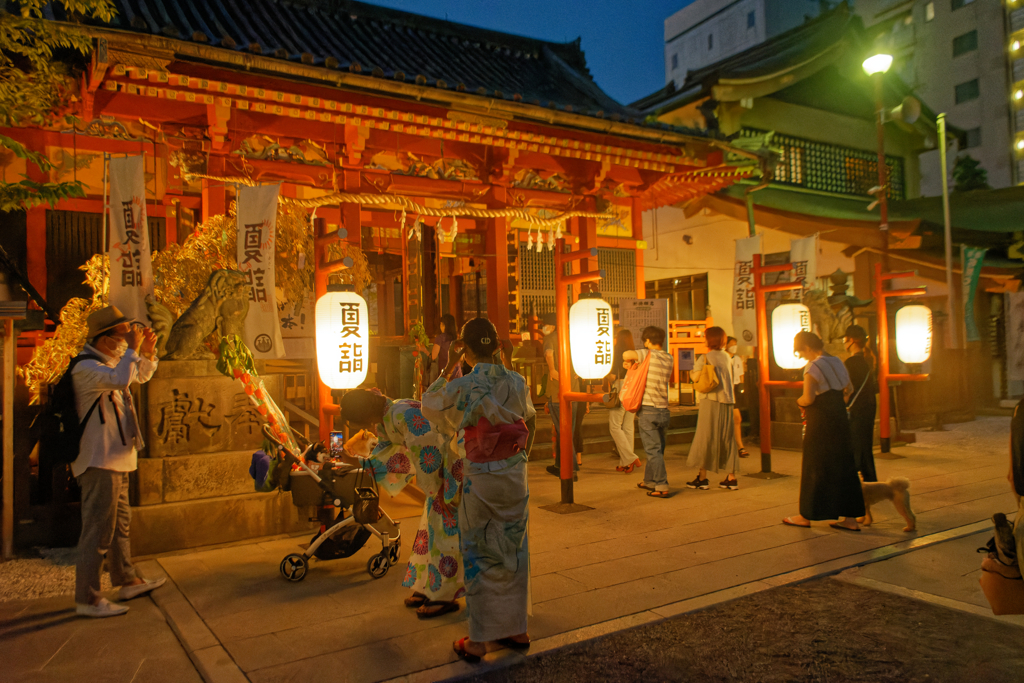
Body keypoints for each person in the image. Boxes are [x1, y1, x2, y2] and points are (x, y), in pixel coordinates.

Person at [421, 318, 535, 662]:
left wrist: (448, 364)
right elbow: (526, 411)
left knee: (480, 552)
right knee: (512, 549)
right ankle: (516, 629)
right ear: (498, 347)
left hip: (481, 475)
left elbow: (430, 405)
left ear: (465, 349)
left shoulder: (465, 383)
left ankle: (480, 640)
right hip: (514, 473)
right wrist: (508, 363)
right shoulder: (517, 380)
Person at [338, 389, 463, 618]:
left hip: (445, 472)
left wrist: (439, 487)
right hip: (438, 474)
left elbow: (429, 452)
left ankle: (443, 594)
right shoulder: (390, 415)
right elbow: (388, 453)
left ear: (365, 414)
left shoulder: (401, 414)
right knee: (432, 533)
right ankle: (430, 586)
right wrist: (363, 463)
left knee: (444, 533)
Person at [72, 306, 163, 618]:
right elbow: (122, 377)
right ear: (104, 339)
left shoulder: (110, 362)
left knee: (120, 526)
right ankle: (88, 598)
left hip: (118, 458)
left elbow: (139, 374)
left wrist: (147, 352)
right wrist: (135, 350)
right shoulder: (85, 368)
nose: (126, 340)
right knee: (98, 532)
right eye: (122, 335)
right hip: (99, 462)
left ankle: (127, 579)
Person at [783, 331, 865, 531]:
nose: (803, 356)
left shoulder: (813, 366)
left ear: (808, 347)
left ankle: (807, 515)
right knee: (844, 465)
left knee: (815, 464)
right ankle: (850, 519)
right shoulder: (838, 361)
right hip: (839, 418)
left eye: (802, 352)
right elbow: (850, 389)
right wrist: (838, 406)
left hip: (820, 420)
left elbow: (808, 398)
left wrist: (799, 402)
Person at [686, 327, 740, 490]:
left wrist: (692, 373)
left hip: (710, 401)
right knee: (727, 437)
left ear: (710, 340)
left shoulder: (705, 357)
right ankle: (731, 477)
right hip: (727, 401)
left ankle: (702, 478)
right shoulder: (727, 357)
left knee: (705, 436)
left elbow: (695, 377)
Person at [634, 326, 675, 498]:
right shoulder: (668, 357)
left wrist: (629, 360)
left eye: (645, 340)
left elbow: (626, 354)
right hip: (663, 410)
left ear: (648, 341)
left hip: (648, 409)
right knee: (657, 449)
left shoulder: (648, 354)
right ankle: (649, 480)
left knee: (653, 450)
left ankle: (661, 485)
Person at [541, 312, 579, 480]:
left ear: (552, 326)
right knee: (568, 431)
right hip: (575, 391)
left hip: (558, 393)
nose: (543, 328)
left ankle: (571, 470)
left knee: (563, 432)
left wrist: (552, 369)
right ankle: (560, 466)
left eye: (545, 325)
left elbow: (549, 353)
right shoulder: (573, 338)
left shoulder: (551, 338)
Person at [843, 325, 878, 482]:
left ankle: (852, 480)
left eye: (845, 339)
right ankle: (871, 480)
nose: (844, 343)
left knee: (855, 444)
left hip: (856, 408)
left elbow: (848, 388)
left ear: (851, 340)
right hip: (869, 405)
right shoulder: (868, 359)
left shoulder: (851, 362)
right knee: (865, 445)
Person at [610, 350, 640, 473]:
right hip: (633, 388)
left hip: (621, 386)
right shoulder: (635, 355)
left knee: (615, 426)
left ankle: (631, 458)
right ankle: (626, 463)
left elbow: (612, 376)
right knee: (628, 426)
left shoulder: (617, 353)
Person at [726, 336, 750, 458]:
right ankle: (732, 446)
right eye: (731, 344)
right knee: (725, 420)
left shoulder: (737, 359)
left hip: (734, 389)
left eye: (735, 344)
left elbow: (741, 376)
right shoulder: (723, 358)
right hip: (724, 390)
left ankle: (740, 446)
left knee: (737, 419)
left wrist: (741, 387)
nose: (734, 346)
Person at [430, 314, 458, 383]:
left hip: (446, 373)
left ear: (443, 325)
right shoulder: (457, 338)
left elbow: (433, 356)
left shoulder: (440, 338)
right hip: (457, 373)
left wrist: (424, 350)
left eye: (441, 324)